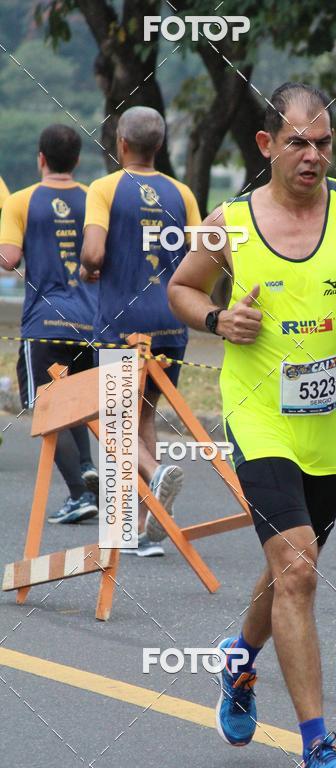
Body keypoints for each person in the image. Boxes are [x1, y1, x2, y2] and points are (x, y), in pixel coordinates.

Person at [168, 82, 336, 768]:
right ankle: (317, 751)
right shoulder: (231, 224)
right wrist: (217, 321)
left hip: (333, 424)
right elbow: (181, 289)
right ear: (267, 144)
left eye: (324, 142)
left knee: (289, 570)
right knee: (298, 569)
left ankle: (239, 658)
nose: (314, 155)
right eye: (299, 142)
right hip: (260, 417)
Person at [81, 106, 201, 558]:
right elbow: (202, 256)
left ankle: (153, 474)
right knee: (144, 416)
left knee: (114, 422)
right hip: (171, 324)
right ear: (160, 145)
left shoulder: (104, 188)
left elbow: (93, 254)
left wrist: (89, 267)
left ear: (122, 143)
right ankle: (142, 529)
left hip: (122, 324)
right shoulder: (182, 193)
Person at [0, 124, 99, 523]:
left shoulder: (22, 200)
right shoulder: (94, 198)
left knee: (45, 407)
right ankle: (87, 467)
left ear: (41, 158)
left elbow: (8, 259)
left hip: (44, 323)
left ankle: (79, 492)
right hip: (91, 321)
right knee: (77, 400)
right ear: (76, 160)